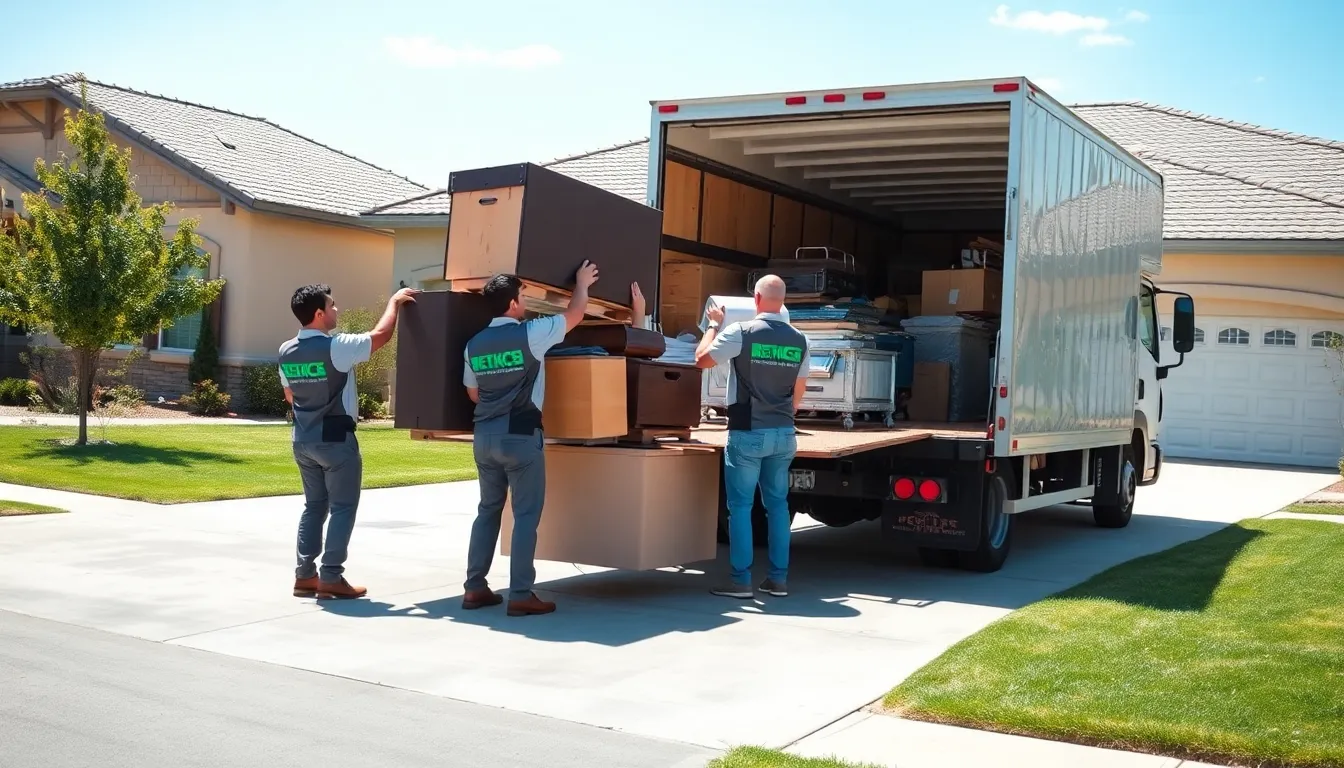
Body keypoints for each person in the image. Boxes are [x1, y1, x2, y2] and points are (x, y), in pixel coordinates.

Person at [460, 261, 603, 617]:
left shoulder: (473, 344)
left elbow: (473, 394)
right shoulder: (531, 333)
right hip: (521, 435)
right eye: (523, 296)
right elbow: (575, 315)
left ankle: (474, 588)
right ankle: (521, 594)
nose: (526, 302)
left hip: (484, 437)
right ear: (512, 304)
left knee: (487, 510)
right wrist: (582, 283)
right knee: (524, 515)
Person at [281, 284, 420, 600]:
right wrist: (395, 303)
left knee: (314, 507)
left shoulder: (286, 350)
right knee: (343, 507)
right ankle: (331, 576)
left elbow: (290, 395)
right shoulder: (336, 347)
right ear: (319, 313)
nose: (336, 310)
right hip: (335, 440)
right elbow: (381, 336)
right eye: (332, 305)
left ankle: (305, 577)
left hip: (302, 439)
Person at [694, 275, 808, 599]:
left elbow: (700, 360)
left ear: (756, 299)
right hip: (784, 433)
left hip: (748, 432)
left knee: (741, 507)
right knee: (778, 507)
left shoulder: (740, 332)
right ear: (782, 302)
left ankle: (740, 582)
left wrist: (713, 326)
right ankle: (778, 580)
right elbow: (799, 393)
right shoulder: (801, 339)